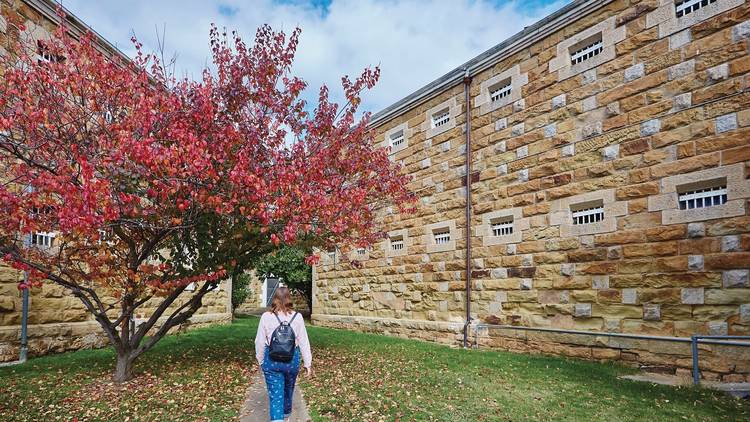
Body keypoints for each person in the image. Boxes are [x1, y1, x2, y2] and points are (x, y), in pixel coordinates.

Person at [254, 286, 313, 422]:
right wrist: (307, 364)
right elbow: (304, 341)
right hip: (291, 361)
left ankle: (278, 419)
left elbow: (260, 341)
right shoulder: (297, 317)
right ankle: (286, 416)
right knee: (288, 390)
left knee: (276, 395)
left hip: (272, 360)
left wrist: (261, 360)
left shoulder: (266, 317)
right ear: (289, 299)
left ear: (274, 298)